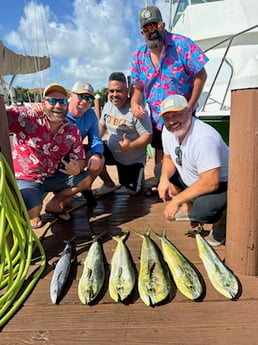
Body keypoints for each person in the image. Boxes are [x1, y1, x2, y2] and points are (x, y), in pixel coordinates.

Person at [2, 83, 102, 229]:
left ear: (66, 104)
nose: (57, 106)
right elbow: (3, 116)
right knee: (33, 215)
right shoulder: (27, 117)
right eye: (52, 101)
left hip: (52, 175)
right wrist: (28, 108)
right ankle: (33, 210)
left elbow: (80, 158)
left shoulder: (72, 129)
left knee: (86, 179)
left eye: (61, 102)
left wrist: (78, 168)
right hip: (28, 178)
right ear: (43, 103)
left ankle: (54, 204)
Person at [130, 6, 209, 192]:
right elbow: (137, 87)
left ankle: (191, 189)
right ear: (142, 32)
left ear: (163, 25)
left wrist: (189, 106)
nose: (152, 31)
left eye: (155, 25)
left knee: (188, 152)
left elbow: (201, 75)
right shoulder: (138, 57)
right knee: (161, 151)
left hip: (183, 114)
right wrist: (134, 102)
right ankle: (167, 185)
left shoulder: (182, 45)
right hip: (158, 117)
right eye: (147, 28)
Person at [157, 94, 228, 247]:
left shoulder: (203, 138)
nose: (172, 121)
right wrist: (164, 179)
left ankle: (222, 221)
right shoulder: (167, 130)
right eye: (167, 117)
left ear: (189, 111)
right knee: (159, 171)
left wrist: (177, 199)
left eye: (177, 114)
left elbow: (211, 182)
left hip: (222, 184)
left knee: (203, 211)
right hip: (195, 177)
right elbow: (168, 157)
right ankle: (188, 205)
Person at [97, 72, 153, 196]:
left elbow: (148, 136)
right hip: (112, 153)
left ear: (127, 91)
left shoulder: (136, 110)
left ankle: (139, 175)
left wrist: (130, 146)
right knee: (91, 153)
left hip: (131, 160)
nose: (114, 95)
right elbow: (101, 126)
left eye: (119, 91)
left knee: (132, 192)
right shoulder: (107, 106)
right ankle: (108, 184)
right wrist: (95, 141)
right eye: (111, 91)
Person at [67, 81, 105, 206]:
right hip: (57, 155)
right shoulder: (60, 110)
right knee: (64, 203)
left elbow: (96, 139)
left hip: (76, 153)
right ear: (71, 95)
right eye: (81, 96)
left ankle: (86, 187)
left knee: (100, 159)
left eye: (89, 98)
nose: (85, 101)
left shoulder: (91, 114)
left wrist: (97, 154)